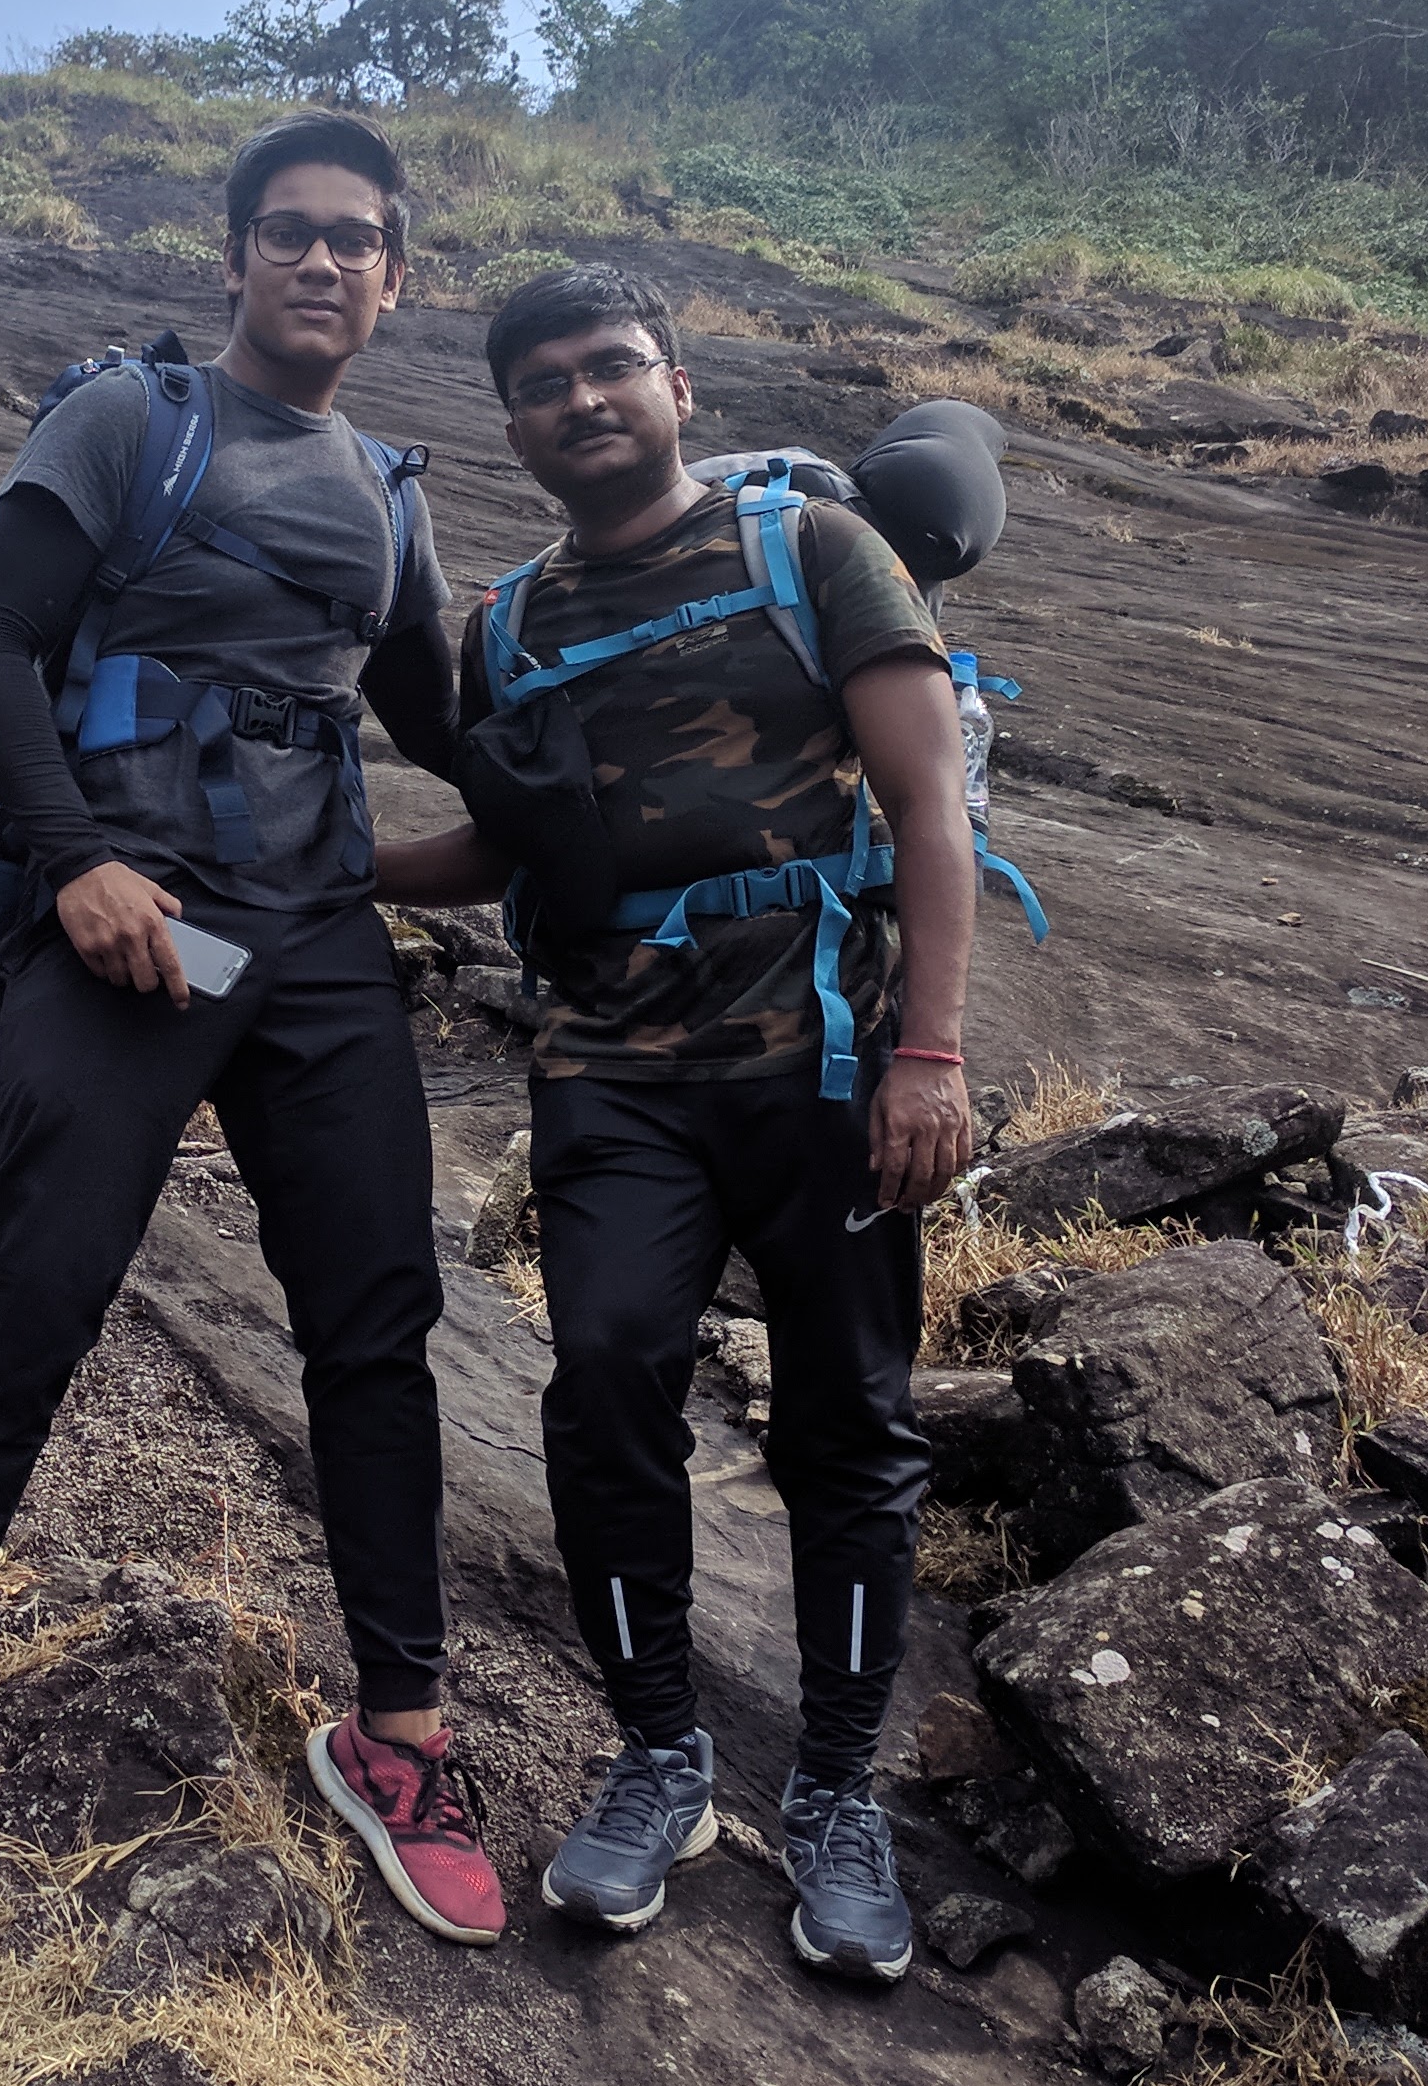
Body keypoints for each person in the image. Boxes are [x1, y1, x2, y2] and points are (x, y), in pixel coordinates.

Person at [0, 112, 508, 1946]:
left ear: (394, 275)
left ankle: (399, 1736)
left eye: (354, 238)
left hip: (318, 949)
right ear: (232, 257)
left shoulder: (393, 496)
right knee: (32, 1294)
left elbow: (450, 723)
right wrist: (72, 868)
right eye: (286, 232)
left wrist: (713, 705)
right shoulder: (131, 422)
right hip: (131, 928)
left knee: (376, 1330)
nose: (318, 261)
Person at [374, 263, 980, 1981]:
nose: (585, 397)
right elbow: (506, 852)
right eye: (548, 381)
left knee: (851, 1424)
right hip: (611, 1066)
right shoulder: (506, 627)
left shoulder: (815, 555)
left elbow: (930, 803)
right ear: (514, 423)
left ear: (680, 386)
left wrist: (932, 1051)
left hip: (830, 1064)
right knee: (606, 1376)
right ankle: (659, 1756)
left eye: (614, 366)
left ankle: (838, 1793)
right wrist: (321, 869)